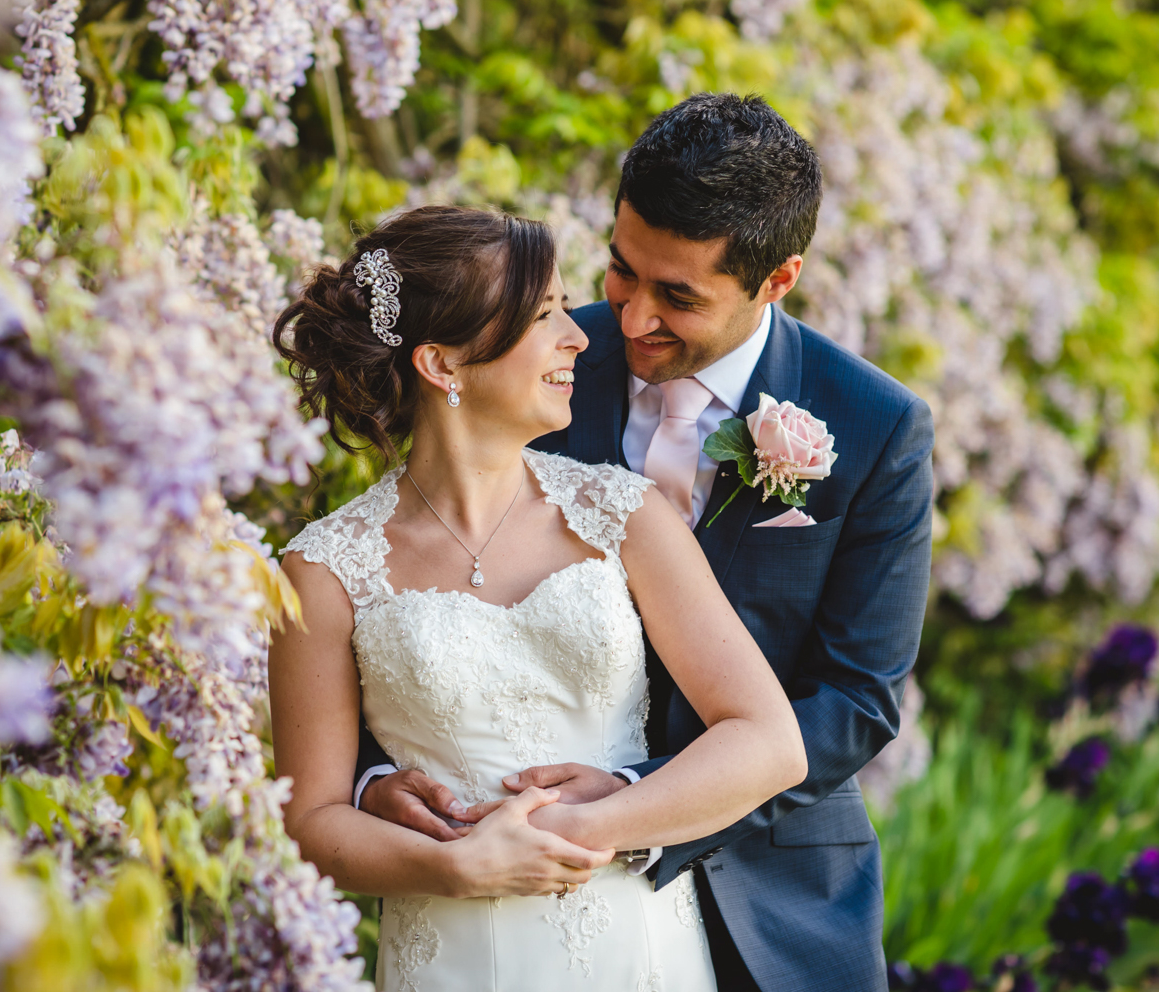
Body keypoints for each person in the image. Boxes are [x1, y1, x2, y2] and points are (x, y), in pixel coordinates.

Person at [357, 94, 935, 992]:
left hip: (776, 898)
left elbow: (856, 698)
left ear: (776, 281)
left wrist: (638, 797)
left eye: (679, 297)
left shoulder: (875, 425)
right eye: (623, 272)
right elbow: (403, 579)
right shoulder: (526, 363)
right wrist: (377, 779)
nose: (628, 322)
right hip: (507, 903)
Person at [270, 204, 809, 991]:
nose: (580, 338)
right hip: (451, 955)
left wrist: (593, 825)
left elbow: (769, 741)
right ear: (442, 364)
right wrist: (453, 867)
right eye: (543, 314)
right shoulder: (323, 569)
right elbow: (310, 820)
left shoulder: (623, 515)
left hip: (636, 946)